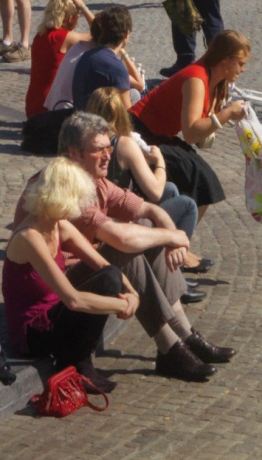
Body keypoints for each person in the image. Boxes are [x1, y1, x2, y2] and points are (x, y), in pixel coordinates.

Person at [52, 108, 230, 380]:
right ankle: (170, 347)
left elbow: (149, 208)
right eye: (98, 150)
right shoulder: (68, 189)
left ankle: (183, 335)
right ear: (73, 153)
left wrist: (172, 235)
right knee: (131, 247)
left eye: (108, 147)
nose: (108, 156)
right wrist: (174, 237)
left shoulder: (95, 181)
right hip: (59, 291)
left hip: (87, 273)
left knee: (147, 228)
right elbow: (121, 238)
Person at [2, 154, 141, 394]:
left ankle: (79, 359)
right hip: (34, 333)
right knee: (108, 282)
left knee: (110, 275)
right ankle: (79, 363)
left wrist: (133, 293)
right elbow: (72, 299)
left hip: (55, 315)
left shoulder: (58, 225)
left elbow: (102, 264)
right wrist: (120, 304)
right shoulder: (29, 237)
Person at [132, 29, 252, 220]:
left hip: (157, 135)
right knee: (204, 181)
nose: (243, 69)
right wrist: (227, 114)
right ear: (225, 60)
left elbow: (199, 134)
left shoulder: (214, 80)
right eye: (240, 63)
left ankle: (174, 236)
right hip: (140, 134)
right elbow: (191, 133)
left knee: (201, 180)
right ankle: (177, 240)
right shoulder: (196, 79)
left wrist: (223, 115)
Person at [84, 83, 200, 244]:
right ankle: (179, 254)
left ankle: (167, 247)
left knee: (171, 189)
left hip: (100, 209)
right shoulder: (123, 144)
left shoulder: (84, 139)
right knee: (188, 205)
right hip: (117, 218)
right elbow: (155, 192)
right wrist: (160, 162)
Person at [23, 0, 94, 152]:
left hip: (32, 105)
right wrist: (83, 7)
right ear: (70, 18)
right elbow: (103, 34)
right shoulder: (65, 38)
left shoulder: (39, 36)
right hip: (49, 108)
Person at [70, 5, 144, 108]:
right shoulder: (117, 68)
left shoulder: (86, 56)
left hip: (80, 115)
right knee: (136, 96)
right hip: (101, 121)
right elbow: (128, 115)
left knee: (134, 94)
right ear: (126, 34)